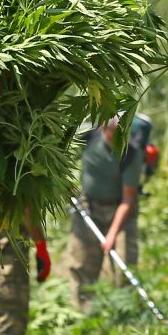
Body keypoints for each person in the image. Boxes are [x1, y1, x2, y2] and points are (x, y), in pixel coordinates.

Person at [67, 116, 144, 310]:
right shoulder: (89, 137)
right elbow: (62, 149)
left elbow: (128, 199)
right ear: (103, 128)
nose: (115, 136)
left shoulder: (131, 154)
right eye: (111, 131)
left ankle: (125, 312)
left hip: (120, 211)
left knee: (124, 267)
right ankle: (83, 311)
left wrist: (111, 235)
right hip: (89, 207)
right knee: (82, 263)